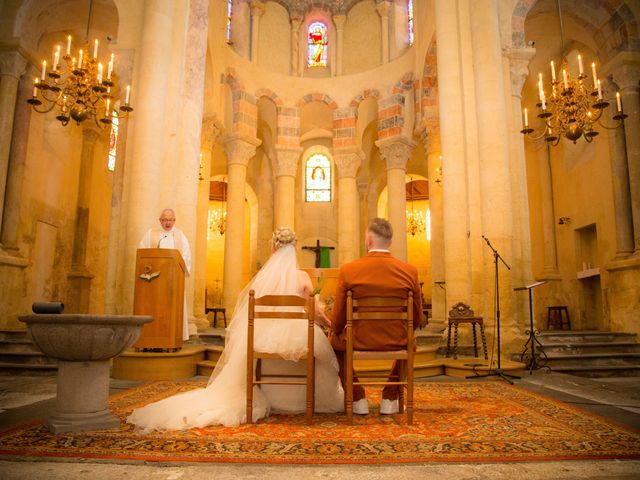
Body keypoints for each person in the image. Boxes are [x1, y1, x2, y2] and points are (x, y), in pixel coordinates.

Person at [127, 227, 343, 431]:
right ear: (294, 248)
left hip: (265, 338)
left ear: (273, 248)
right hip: (296, 339)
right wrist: (332, 326)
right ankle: (305, 398)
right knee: (322, 350)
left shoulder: (261, 281)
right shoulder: (303, 278)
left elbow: (247, 314)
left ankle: (264, 392)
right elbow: (314, 314)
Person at [329, 217, 423, 416]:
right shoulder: (410, 271)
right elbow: (417, 318)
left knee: (332, 341)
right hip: (397, 338)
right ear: (390, 242)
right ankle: (390, 397)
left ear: (369, 240)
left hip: (358, 339)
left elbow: (337, 320)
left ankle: (356, 397)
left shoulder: (349, 270)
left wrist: (334, 332)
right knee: (410, 342)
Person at [138, 208, 192, 341]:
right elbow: (142, 253)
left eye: (170, 220)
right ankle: (150, 337)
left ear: (174, 220)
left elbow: (186, 256)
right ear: (160, 221)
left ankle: (172, 338)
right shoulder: (151, 234)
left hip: (173, 282)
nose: (168, 223)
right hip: (153, 282)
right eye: (165, 220)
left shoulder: (180, 235)